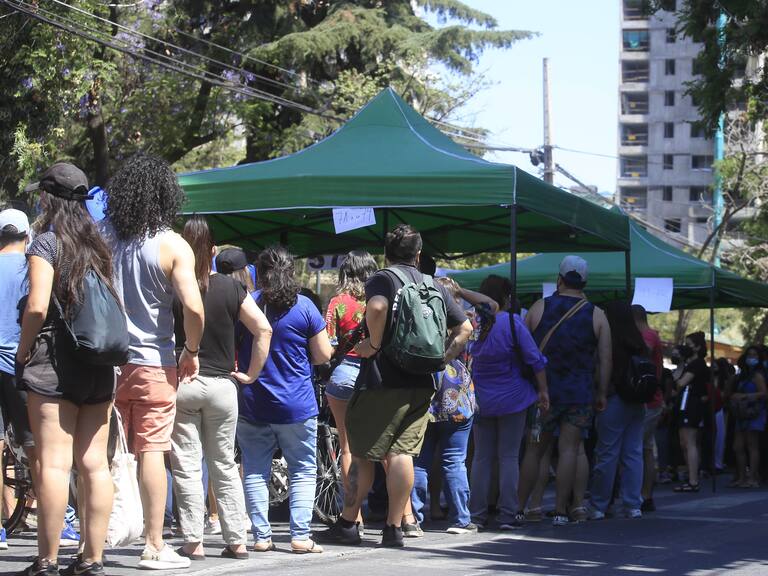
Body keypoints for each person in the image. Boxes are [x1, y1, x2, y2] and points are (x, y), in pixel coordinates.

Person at [318, 224, 472, 547]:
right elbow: (465, 328)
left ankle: (348, 524)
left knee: (362, 453)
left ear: (385, 253)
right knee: (402, 453)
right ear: (418, 255)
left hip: (381, 380)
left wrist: (374, 344)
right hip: (423, 382)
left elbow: (376, 307)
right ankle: (394, 528)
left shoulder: (383, 279)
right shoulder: (435, 285)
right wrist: (443, 359)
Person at [104, 153, 205, 570]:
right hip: (154, 363)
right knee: (151, 450)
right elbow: (194, 309)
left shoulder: (105, 238)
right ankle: (152, 544)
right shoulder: (172, 244)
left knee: (106, 451)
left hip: (106, 362)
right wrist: (191, 350)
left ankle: (96, 538)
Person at [16, 164, 117, 576]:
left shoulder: (46, 244)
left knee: (55, 464)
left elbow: (38, 306)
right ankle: (92, 559)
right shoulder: (100, 247)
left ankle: (48, 560)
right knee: (94, 464)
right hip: (98, 364)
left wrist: (23, 351)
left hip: (55, 366)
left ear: (47, 198)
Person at [170, 217, 272, 561]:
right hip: (223, 387)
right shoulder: (231, 288)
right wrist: (251, 374)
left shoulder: (173, 287)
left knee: (186, 464)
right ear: (213, 251)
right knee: (224, 463)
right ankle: (236, 540)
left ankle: (193, 541)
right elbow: (263, 329)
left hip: (183, 381)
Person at [237, 245, 333, 554]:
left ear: (260, 274)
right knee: (303, 468)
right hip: (296, 403)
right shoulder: (305, 307)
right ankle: (300, 536)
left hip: (253, 401)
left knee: (254, 468)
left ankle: (261, 537)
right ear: (290, 271)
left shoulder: (248, 304)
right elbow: (322, 355)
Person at [519, 255, 612, 527]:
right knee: (571, 450)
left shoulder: (539, 307)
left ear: (559, 278)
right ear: (584, 281)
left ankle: (521, 509)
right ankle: (562, 510)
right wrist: (602, 391)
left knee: (534, 450)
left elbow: (524, 349)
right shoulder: (597, 314)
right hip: (579, 392)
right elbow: (605, 359)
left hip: (542, 392)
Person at [411, 277, 496, 534]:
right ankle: (460, 518)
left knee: (420, 461)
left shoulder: (422, 319)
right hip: (458, 395)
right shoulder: (469, 319)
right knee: (455, 460)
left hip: (425, 391)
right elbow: (492, 305)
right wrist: (461, 290)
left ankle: (412, 518)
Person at [466, 275, 549, 530]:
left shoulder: (474, 324)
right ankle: (507, 515)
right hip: (514, 398)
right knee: (509, 457)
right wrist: (544, 390)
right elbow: (535, 359)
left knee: (481, 458)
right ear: (505, 297)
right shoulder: (512, 322)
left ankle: (477, 515)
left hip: (481, 399)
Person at [323, 250, 378, 529]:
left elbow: (329, 345)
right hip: (376, 379)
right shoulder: (380, 301)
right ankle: (405, 518)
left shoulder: (337, 303)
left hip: (344, 376)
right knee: (388, 449)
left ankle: (353, 515)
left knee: (347, 446)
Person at [588, 301, 649, 520]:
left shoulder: (609, 341)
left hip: (614, 399)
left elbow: (603, 367)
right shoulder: (638, 341)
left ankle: (598, 505)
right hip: (637, 401)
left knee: (607, 453)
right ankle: (633, 504)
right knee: (633, 453)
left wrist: (601, 393)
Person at [0, 209, 35, 552]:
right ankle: (59, 519)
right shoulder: (32, 267)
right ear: (26, 235)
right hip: (21, 365)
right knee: (36, 443)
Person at [632, 305, 664, 512]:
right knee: (646, 449)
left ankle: (643, 493)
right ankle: (646, 493)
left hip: (648, 400)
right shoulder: (650, 333)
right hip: (652, 399)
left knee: (640, 448)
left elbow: (645, 349)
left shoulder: (647, 334)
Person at [672, 331, 710, 493]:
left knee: (690, 441)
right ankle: (690, 478)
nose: (686, 348)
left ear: (698, 347)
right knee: (684, 443)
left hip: (692, 404)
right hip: (684, 404)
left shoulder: (698, 364)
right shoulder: (689, 364)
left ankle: (693, 480)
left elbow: (680, 383)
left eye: (689, 345)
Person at [726, 346, 767, 488]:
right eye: (749, 354)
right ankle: (742, 476)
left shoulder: (758, 376)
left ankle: (752, 477)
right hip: (741, 414)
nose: (751, 357)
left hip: (755, 413)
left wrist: (745, 396)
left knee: (752, 445)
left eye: (754, 355)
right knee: (738, 446)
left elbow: (764, 393)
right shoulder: (742, 376)